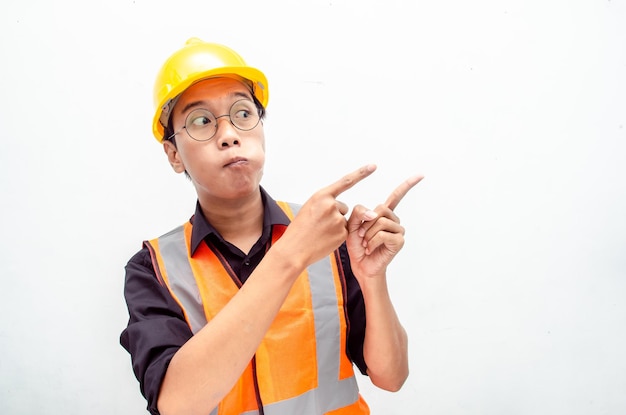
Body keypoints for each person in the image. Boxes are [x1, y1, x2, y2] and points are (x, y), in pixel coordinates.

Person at [120, 37, 422, 415]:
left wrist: (372, 279)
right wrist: (291, 254)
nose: (229, 134)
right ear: (173, 154)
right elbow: (176, 405)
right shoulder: (154, 269)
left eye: (243, 114)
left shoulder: (329, 234)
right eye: (201, 121)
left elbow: (392, 377)